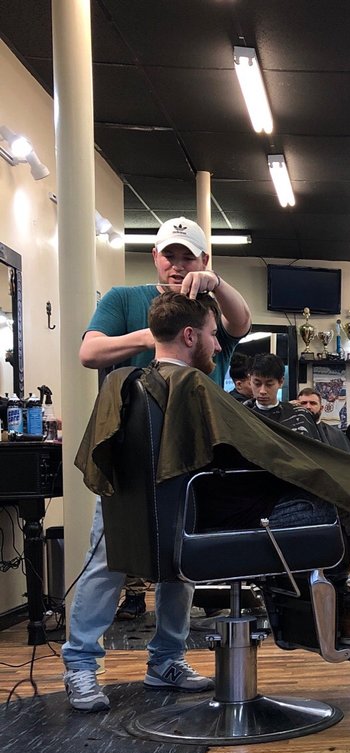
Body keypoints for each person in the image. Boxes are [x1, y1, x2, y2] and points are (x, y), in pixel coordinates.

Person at [78, 293, 350, 665]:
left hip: (197, 519)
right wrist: (318, 471)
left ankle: (348, 607)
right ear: (189, 336)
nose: (218, 345)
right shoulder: (191, 386)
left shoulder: (131, 384)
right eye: (213, 334)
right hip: (246, 519)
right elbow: (268, 452)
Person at [62, 217, 252, 712]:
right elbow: (89, 351)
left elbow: (242, 323)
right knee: (108, 559)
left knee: (180, 562)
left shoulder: (210, 307)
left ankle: (166, 659)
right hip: (131, 454)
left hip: (192, 453)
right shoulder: (124, 299)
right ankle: (80, 664)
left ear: (203, 260)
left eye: (189, 257)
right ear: (155, 256)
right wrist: (156, 336)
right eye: (170, 255)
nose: (178, 265)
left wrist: (217, 284)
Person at [296, 384, 350, 453]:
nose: (308, 407)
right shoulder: (290, 431)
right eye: (303, 403)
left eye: (313, 403)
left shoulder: (337, 435)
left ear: (321, 408)